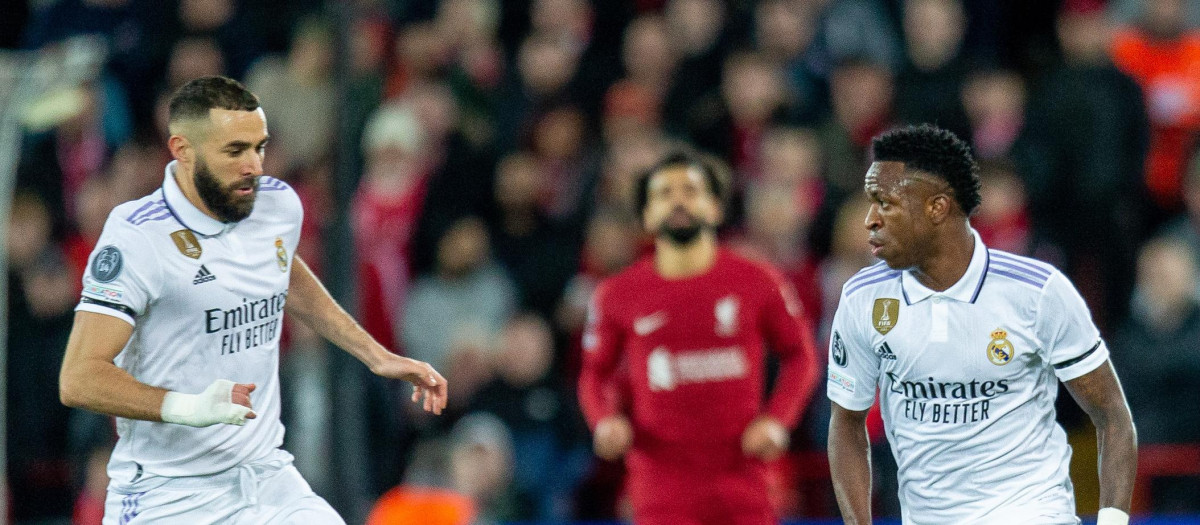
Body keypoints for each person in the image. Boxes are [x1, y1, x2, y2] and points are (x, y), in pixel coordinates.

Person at [58, 76, 448, 525]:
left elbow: (283, 271)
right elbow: (79, 378)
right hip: (169, 494)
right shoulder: (136, 238)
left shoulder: (277, 205)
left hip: (265, 478)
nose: (254, 166)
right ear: (183, 150)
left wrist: (375, 355)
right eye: (235, 151)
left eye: (259, 147)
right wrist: (188, 407)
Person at [826, 124, 1136, 525]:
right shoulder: (862, 299)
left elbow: (1112, 415)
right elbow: (846, 423)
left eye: (885, 203)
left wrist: (1112, 522)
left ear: (937, 207)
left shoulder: (1036, 293)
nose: (869, 220)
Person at [578, 150, 821, 525]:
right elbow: (595, 371)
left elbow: (801, 355)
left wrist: (777, 420)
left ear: (716, 209)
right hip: (660, 488)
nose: (678, 200)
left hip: (745, 481)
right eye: (664, 193)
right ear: (646, 216)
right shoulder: (617, 293)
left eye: (690, 190)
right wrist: (604, 420)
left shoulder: (757, 280)